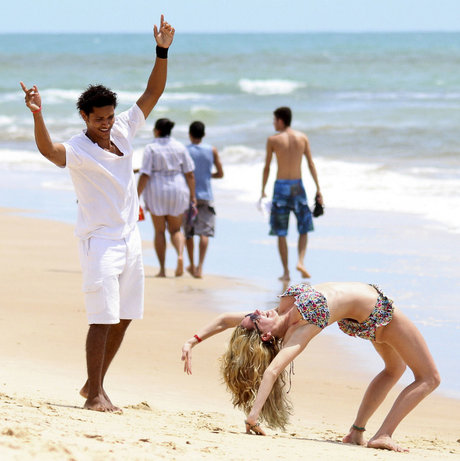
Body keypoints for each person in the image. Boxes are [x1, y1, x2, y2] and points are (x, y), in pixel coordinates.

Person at [20, 15, 175, 413]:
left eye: (109, 117)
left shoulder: (123, 128)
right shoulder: (77, 149)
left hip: (130, 237)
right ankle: (95, 395)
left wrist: (161, 51)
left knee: (125, 315)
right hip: (99, 240)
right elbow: (48, 151)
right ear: (85, 118)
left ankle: (94, 382)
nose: (105, 124)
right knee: (102, 317)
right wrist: (37, 114)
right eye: (98, 119)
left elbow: (153, 91)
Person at [181, 282, 440, 452]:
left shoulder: (281, 311)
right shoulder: (299, 332)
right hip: (379, 315)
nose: (257, 311)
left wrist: (192, 341)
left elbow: (225, 319)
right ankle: (383, 435)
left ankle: (356, 432)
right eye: (255, 318)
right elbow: (272, 371)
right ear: (265, 336)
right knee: (429, 378)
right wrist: (253, 416)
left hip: (363, 318)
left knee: (393, 370)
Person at [261, 107, 323, 282]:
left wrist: (262, 189)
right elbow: (310, 164)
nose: (273, 123)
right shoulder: (302, 137)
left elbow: (267, 167)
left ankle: (286, 272)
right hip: (297, 186)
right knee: (304, 226)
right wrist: (318, 188)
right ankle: (301, 262)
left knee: (281, 231)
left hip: (281, 186)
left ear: (281, 120)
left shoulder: (273, 140)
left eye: (274, 120)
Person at [137, 118, 196, 277]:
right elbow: (190, 174)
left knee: (159, 231)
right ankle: (180, 256)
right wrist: (193, 196)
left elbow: (145, 174)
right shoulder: (180, 147)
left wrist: (136, 195)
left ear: (157, 131)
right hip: (178, 189)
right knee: (176, 230)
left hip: (156, 190)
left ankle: (162, 270)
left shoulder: (151, 148)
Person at [184, 121, 224, 278]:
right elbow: (220, 173)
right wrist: (208, 175)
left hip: (189, 195)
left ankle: (192, 264)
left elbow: (183, 173)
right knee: (204, 232)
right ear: (204, 134)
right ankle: (200, 267)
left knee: (189, 232)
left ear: (190, 134)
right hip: (206, 195)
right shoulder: (211, 150)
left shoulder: (185, 150)